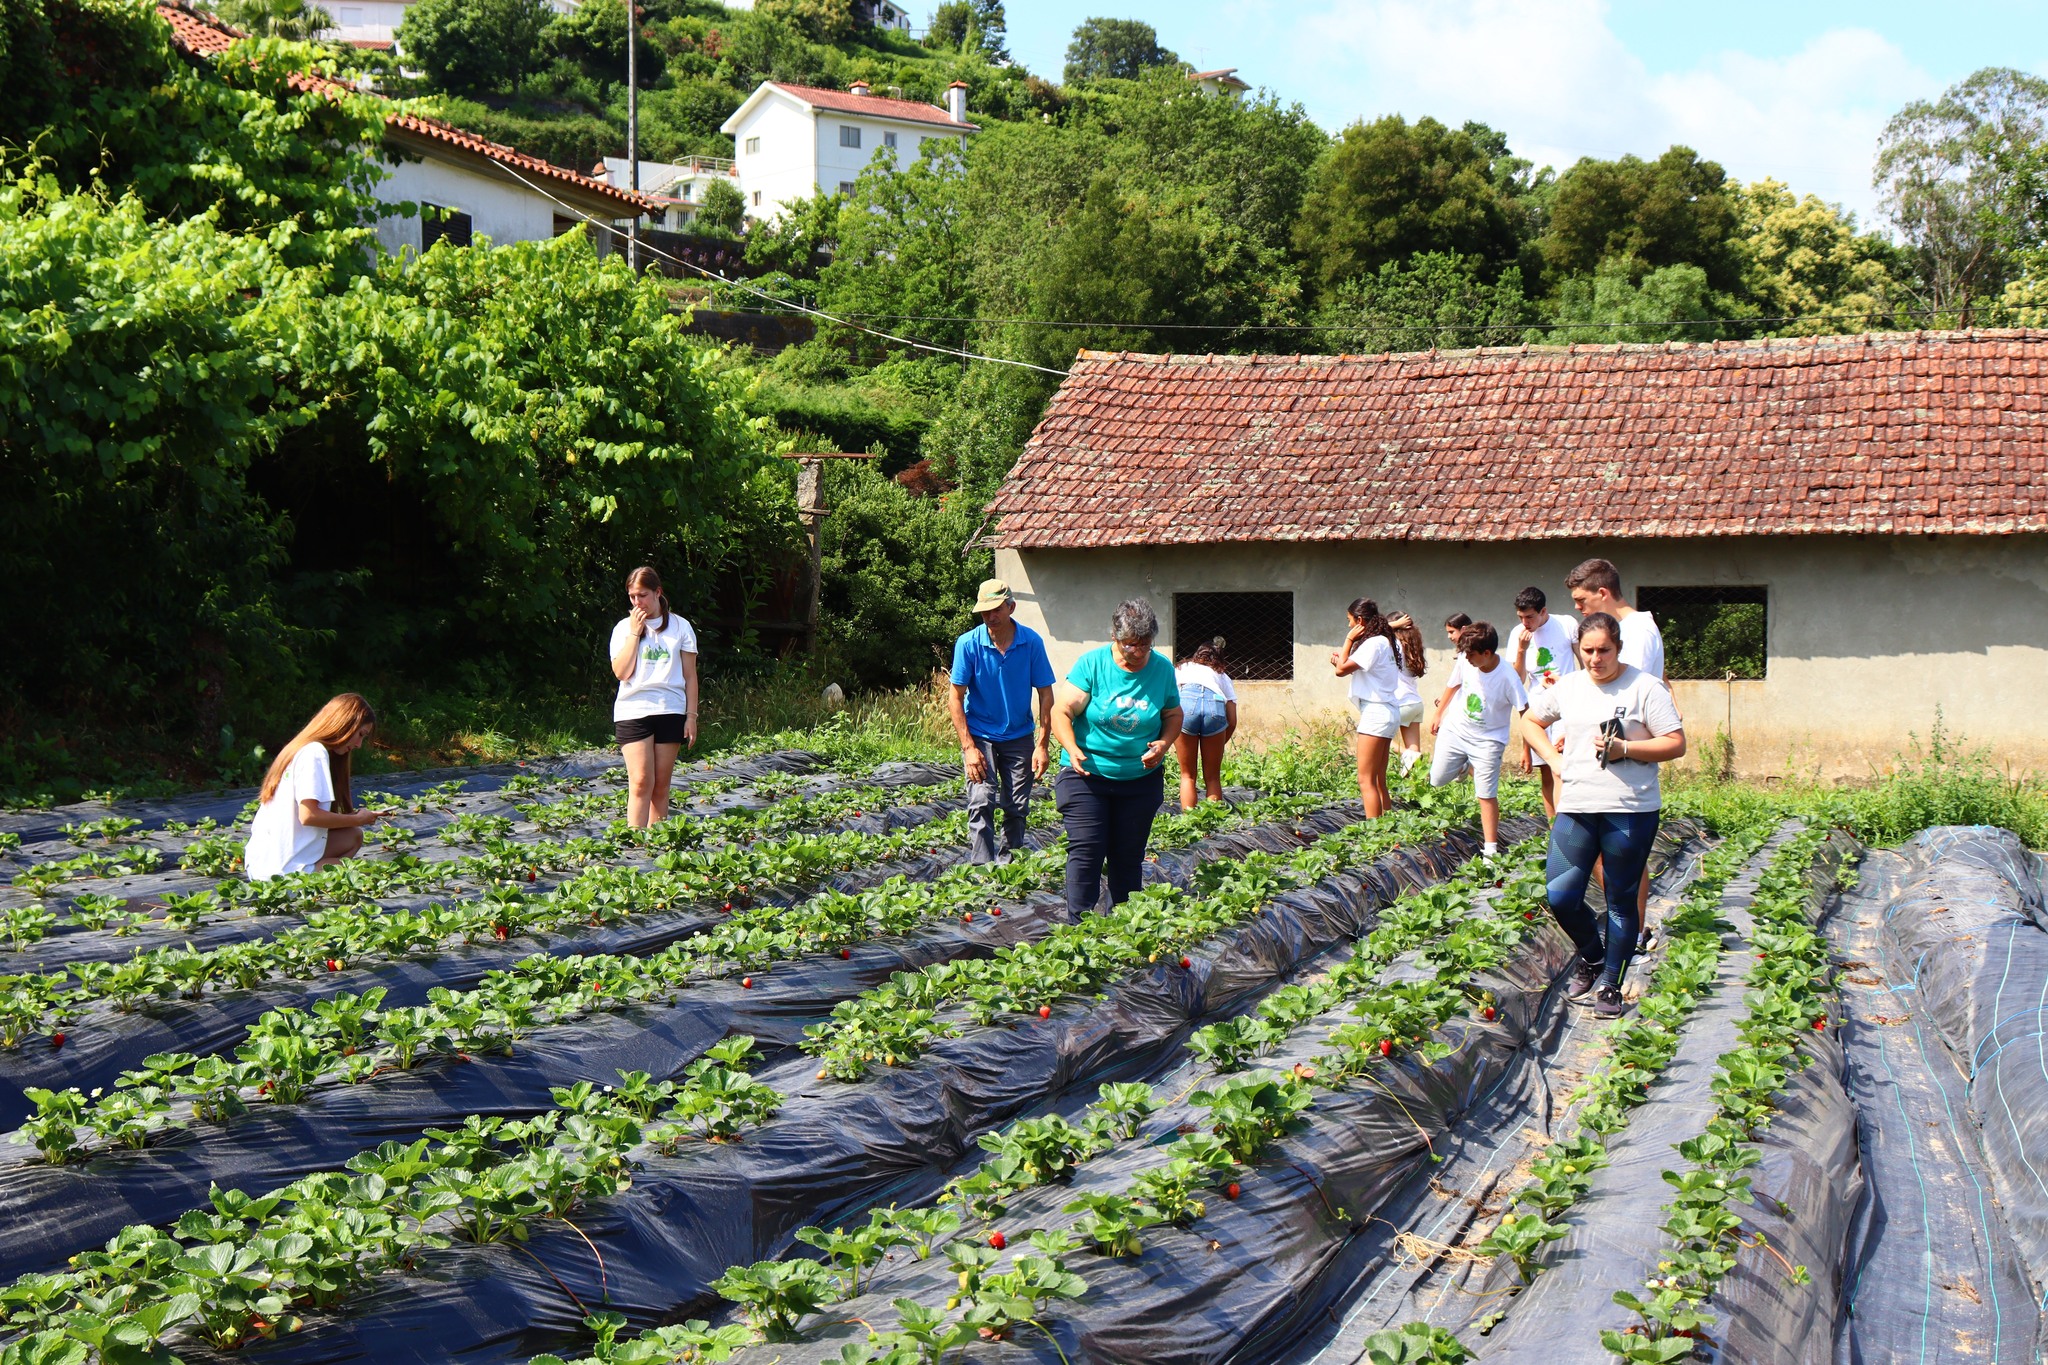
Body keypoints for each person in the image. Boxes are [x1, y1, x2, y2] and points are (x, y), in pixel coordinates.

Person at [1522, 612, 1686, 1019]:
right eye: (1588, 650)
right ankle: (1594, 956)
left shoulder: (1644, 688)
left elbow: (1675, 743)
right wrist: (1551, 759)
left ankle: (1611, 983)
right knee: (1560, 895)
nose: (1596, 658)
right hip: (1577, 806)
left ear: (1619, 648)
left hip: (1629, 809)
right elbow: (1529, 720)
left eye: (1604, 650)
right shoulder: (1570, 687)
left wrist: (1625, 750)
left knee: (1620, 898)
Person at [1051, 598, 1182, 914]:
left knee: (1127, 855)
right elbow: (1062, 710)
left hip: (1139, 781)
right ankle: (1077, 926)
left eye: (1145, 645)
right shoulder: (1092, 664)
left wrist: (1163, 745)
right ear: (1114, 636)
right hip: (1087, 775)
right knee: (1088, 849)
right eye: (1130, 645)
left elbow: (1173, 714)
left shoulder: (1161, 668)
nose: (1137, 653)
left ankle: (1122, 928)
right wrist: (1072, 748)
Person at [949, 578, 1056, 863]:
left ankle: (1009, 868)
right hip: (981, 734)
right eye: (985, 612)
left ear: (1011, 607)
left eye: (996, 609)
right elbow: (955, 698)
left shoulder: (1031, 643)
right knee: (981, 800)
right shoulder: (968, 644)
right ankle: (982, 868)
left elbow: (1046, 695)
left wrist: (1042, 744)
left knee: (1016, 806)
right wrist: (968, 747)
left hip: (1019, 735)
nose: (991, 617)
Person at [244, 693, 382, 880]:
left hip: (261, 863)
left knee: (353, 836)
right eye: (360, 735)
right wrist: (358, 819)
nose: (358, 744)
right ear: (344, 724)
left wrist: (354, 819)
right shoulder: (314, 753)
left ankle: (312, 876)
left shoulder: (303, 748)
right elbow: (309, 815)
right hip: (279, 872)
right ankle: (306, 885)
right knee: (355, 874)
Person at [608, 566, 700, 828]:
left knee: (660, 785)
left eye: (643, 595)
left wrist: (690, 716)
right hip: (633, 711)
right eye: (632, 597)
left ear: (658, 593)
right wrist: (635, 634)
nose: (638, 603)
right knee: (640, 781)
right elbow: (621, 672)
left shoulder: (681, 627)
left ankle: (656, 847)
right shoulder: (623, 629)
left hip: (670, 709)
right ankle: (634, 843)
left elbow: (690, 677)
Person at [1429, 622, 1528, 858]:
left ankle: (1491, 852)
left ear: (1487, 653)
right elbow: (1452, 684)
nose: (1467, 658)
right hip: (1455, 729)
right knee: (1437, 780)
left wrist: (1527, 750)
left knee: (1486, 793)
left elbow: (1526, 714)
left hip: (1488, 741)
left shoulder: (1508, 677)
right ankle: (1463, 765)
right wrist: (1438, 713)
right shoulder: (1466, 660)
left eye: (1471, 654)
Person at [1507, 586, 1580, 820]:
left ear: (1543, 611)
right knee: (1547, 774)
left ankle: (1571, 824)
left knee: (1566, 769)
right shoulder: (1517, 634)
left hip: (1567, 706)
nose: (1525, 623)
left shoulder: (1566, 624)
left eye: (1530, 617)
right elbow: (1518, 680)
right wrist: (1521, 650)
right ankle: (1553, 829)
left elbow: (1584, 662)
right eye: (1520, 617)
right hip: (1539, 712)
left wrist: (1569, 684)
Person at [1332, 598, 1403, 817]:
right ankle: (1386, 824)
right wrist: (1342, 661)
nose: (1349, 626)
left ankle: (1375, 831)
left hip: (1376, 713)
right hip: (1388, 711)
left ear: (1360, 620)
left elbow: (1341, 670)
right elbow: (1351, 667)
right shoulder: (1384, 641)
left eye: (1350, 621)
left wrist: (1348, 640)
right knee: (1378, 778)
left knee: (1365, 779)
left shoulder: (1373, 643)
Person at [1565, 558, 1665, 681]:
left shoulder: (1638, 630)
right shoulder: (1625, 627)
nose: (1577, 607)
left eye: (1581, 600)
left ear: (1603, 593)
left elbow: (1628, 686)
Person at [1173, 639, 1238, 811]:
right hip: (1214, 708)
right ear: (1219, 660)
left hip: (1186, 708)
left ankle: (1189, 823)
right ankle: (1211, 824)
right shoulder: (1222, 676)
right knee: (1213, 777)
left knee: (1187, 775)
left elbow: (1169, 699)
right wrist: (1219, 742)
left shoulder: (1181, 669)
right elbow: (1232, 720)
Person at [1390, 616, 1429, 777]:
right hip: (1415, 703)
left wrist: (1392, 625)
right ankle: (1415, 790)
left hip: (1399, 702)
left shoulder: (1393, 644)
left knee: (1379, 740)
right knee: (1413, 754)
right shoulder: (1414, 645)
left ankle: (1408, 755)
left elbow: (1372, 631)